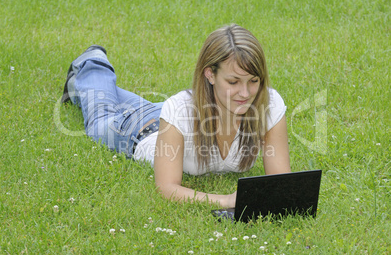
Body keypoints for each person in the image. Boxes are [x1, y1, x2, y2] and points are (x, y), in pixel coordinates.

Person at [61, 24, 291, 208]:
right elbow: (167, 187)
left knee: (108, 96)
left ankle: (82, 86)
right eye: (233, 82)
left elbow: (281, 185)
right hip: (140, 130)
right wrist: (227, 200)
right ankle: (92, 63)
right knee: (100, 114)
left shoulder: (268, 105)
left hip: (173, 112)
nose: (245, 93)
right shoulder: (179, 109)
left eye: (253, 81)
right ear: (210, 74)